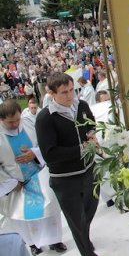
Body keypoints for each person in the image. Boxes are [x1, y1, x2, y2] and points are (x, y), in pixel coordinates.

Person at [35, 72, 100, 256]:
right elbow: (50, 154)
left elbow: (91, 124)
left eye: (72, 90)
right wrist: (81, 148)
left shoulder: (83, 105)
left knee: (89, 211)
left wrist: (91, 134)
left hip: (89, 171)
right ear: (52, 94)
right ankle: (87, 251)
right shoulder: (45, 118)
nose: (70, 95)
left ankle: (84, 239)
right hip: (65, 179)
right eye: (64, 92)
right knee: (76, 222)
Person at [0, 100, 66, 255]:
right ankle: (32, 244)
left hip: (38, 176)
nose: (16, 124)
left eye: (17, 119)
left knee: (50, 207)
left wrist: (34, 154)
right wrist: (10, 183)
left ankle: (54, 240)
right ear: (1, 120)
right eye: (11, 122)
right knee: (21, 216)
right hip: (15, 184)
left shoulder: (30, 125)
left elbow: (45, 145)